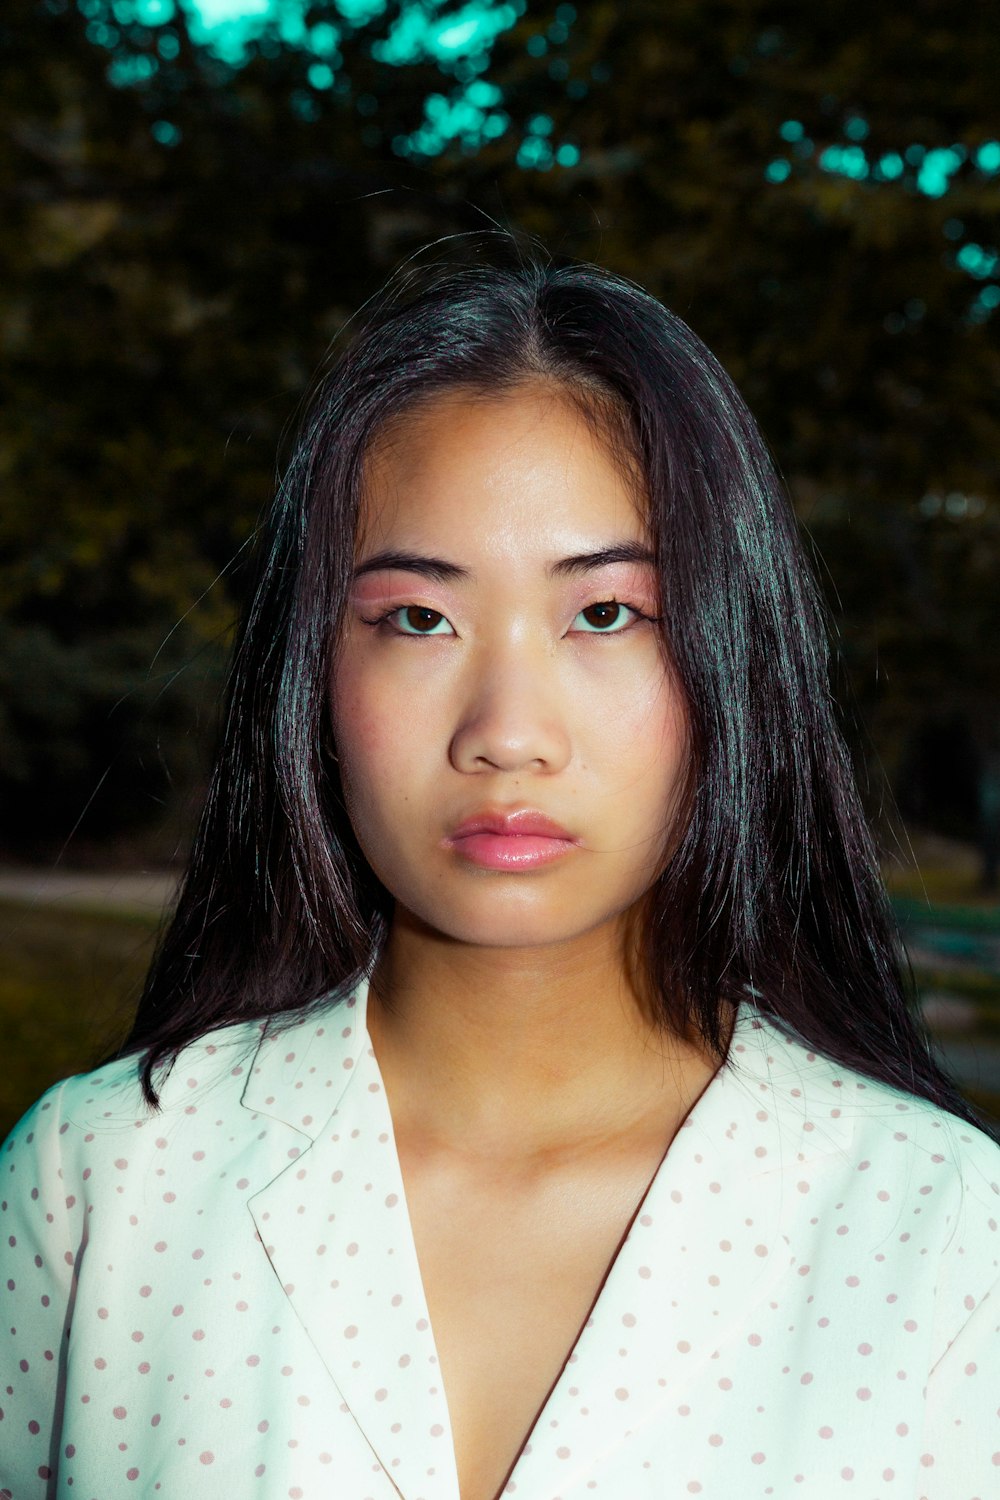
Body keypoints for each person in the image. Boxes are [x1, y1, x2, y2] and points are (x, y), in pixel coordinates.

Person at [2, 243, 997, 1500]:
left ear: (730, 659)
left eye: (606, 614)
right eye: (419, 619)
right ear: (314, 672)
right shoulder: (107, 1183)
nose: (507, 730)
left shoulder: (944, 1233)